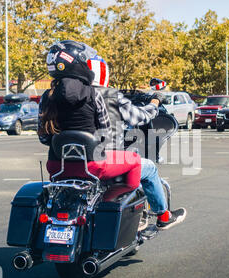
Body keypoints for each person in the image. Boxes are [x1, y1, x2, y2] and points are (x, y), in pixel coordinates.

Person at [38, 40, 186, 230]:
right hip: (94, 165)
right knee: (146, 166)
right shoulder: (94, 94)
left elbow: (44, 138)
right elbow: (106, 135)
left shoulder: (46, 97)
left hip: (57, 168)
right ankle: (160, 215)